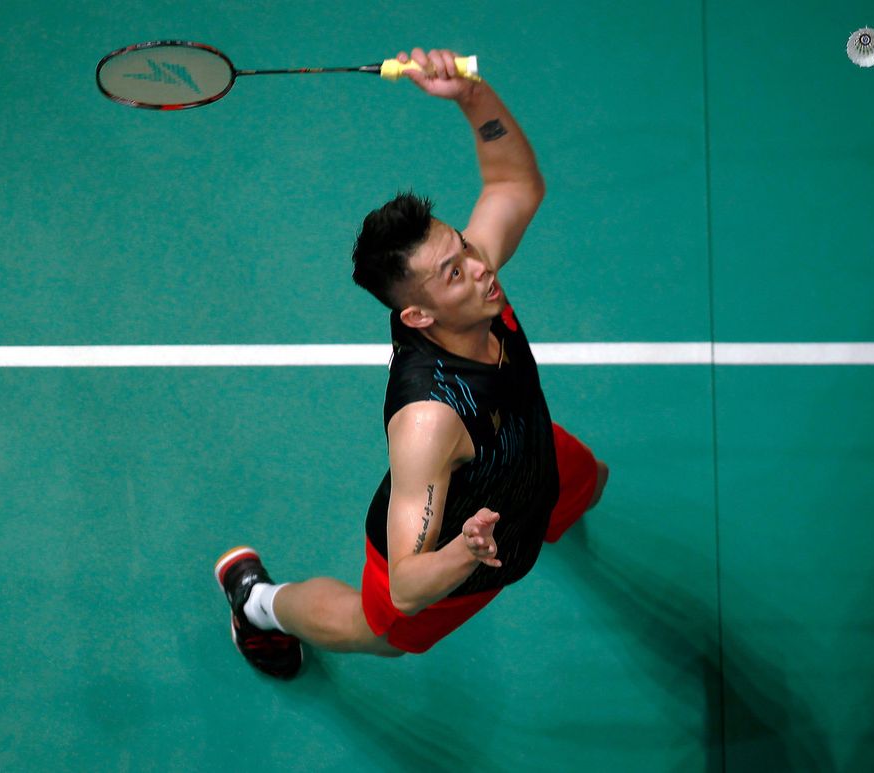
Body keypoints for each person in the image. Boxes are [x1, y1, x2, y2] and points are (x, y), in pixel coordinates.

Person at [214, 47, 609, 678]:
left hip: (526, 451)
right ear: (418, 316)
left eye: (463, 249)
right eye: (455, 272)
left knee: (588, 480)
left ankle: (555, 510)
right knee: (379, 632)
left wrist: (469, 94)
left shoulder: (472, 288)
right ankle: (257, 602)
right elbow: (407, 586)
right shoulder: (429, 424)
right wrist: (465, 551)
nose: (481, 267)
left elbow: (514, 184)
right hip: (463, 539)